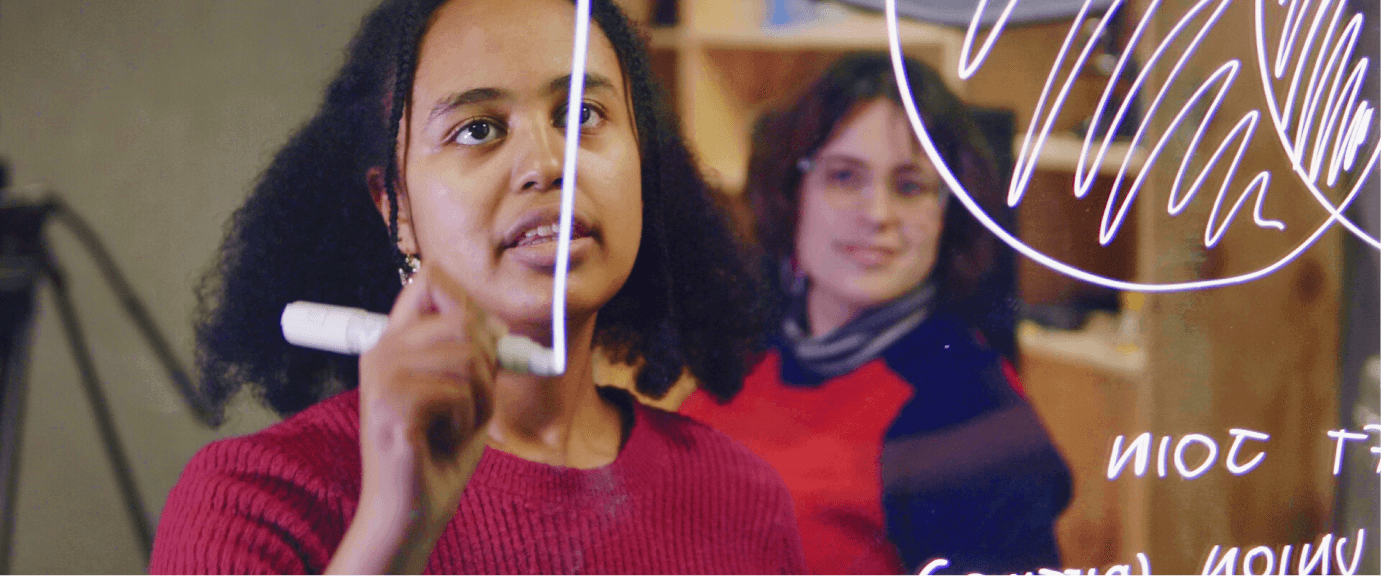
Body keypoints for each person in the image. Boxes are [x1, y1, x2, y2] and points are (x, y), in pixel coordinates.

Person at [149, 0, 805, 574]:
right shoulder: (257, 499)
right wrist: (392, 528)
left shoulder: (738, 494)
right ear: (396, 210)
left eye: (581, 113)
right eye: (478, 129)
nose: (549, 164)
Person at [679, 52, 1073, 576]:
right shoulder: (748, 354)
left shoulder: (972, 413)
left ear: (946, 215)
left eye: (909, 186)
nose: (878, 215)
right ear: (794, 195)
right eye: (845, 177)